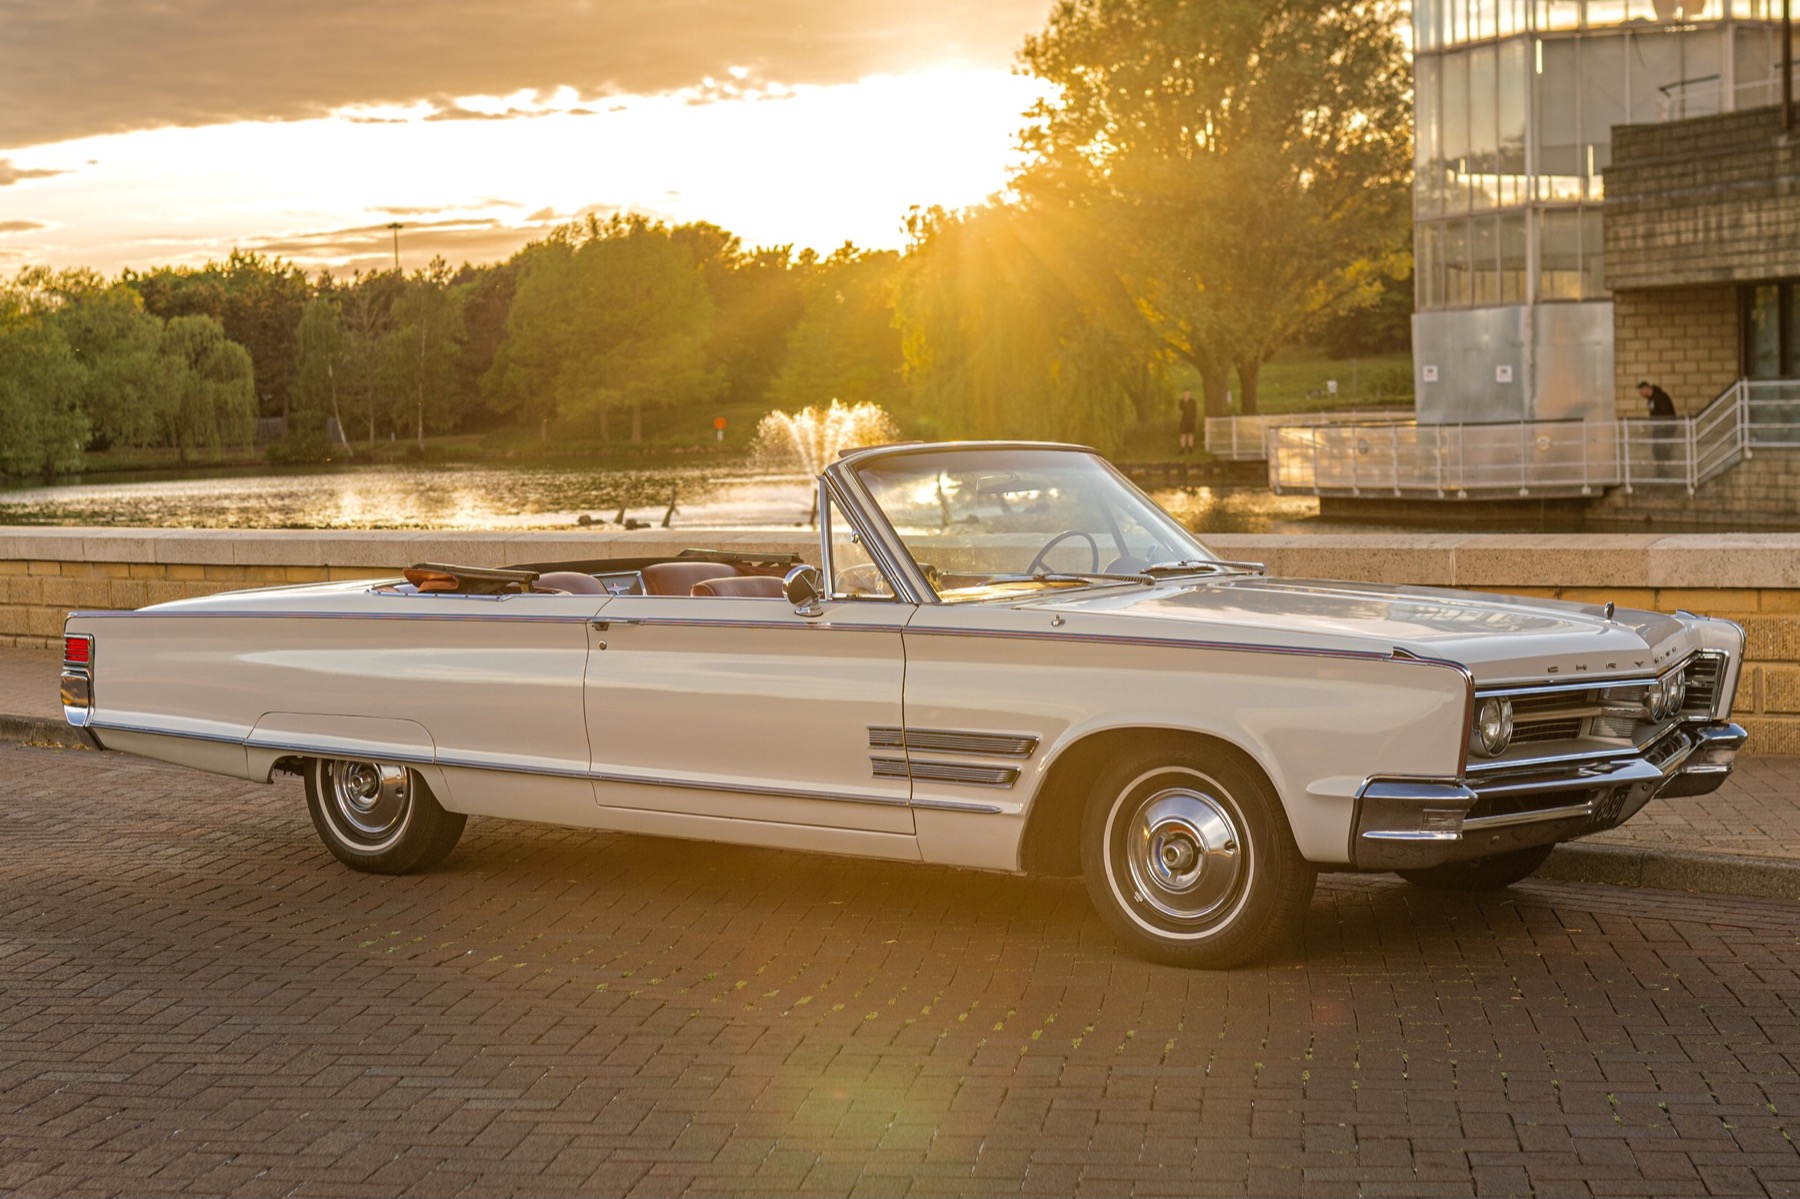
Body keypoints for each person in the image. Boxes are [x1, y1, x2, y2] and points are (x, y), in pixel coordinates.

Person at [1638, 381, 1677, 470]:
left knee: (1662, 449)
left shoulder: (1660, 398)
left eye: (1641, 392)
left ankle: (1665, 470)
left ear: (1646, 389)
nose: (1641, 395)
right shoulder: (1651, 399)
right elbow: (1654, 414)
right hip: (1659, 428)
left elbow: (1665, 413)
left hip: (1665, 428)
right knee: (1657, 449)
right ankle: (1661, 469)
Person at [1177, 389, 1198, 455]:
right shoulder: (1181, 401)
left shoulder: (1193, 402)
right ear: (1183, 394)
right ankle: (1182, 449)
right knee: (1183, 435)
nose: (1186, 395)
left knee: (1191, 434)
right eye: (1185, 394)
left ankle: (1190, 449)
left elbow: (1195, 411)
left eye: (1188, 394)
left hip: (1191, 420)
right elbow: (1180, 411)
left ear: (1190, 394)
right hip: (1183, 420)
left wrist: (1194, 418)